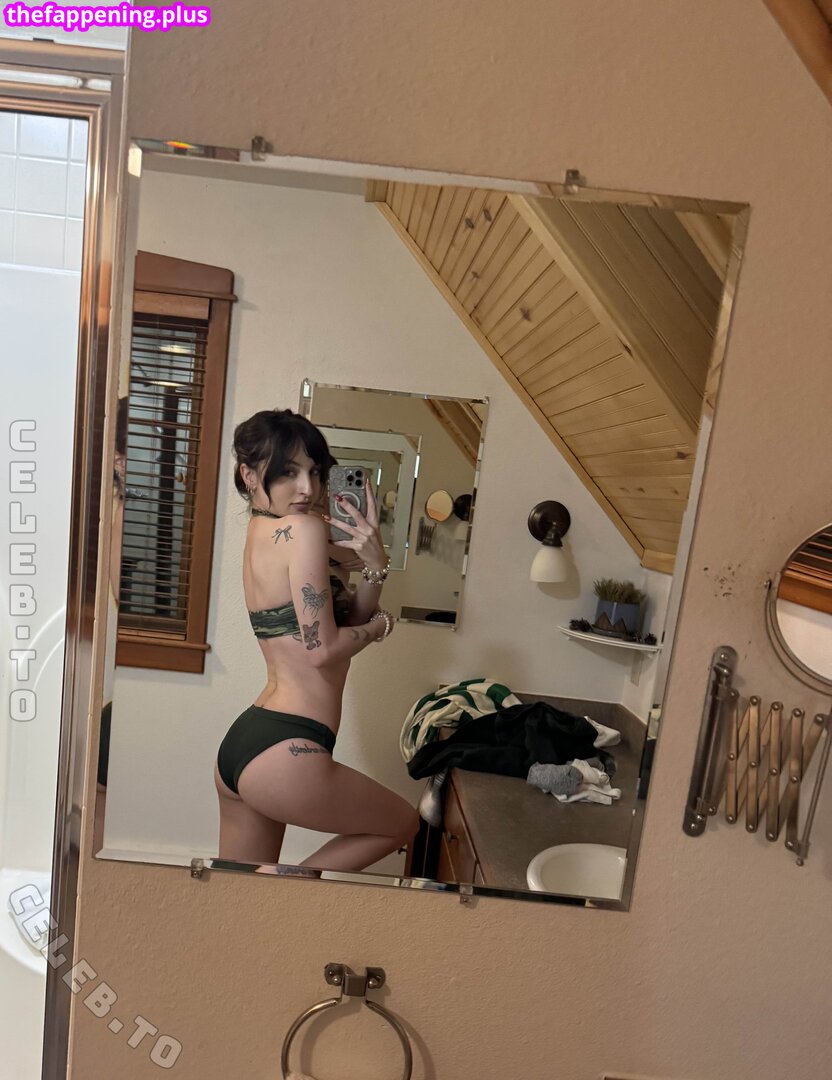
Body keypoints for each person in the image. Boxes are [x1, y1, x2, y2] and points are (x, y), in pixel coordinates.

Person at [214, 408, 419, 872]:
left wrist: (374, 569)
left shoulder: (262, 533)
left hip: (248, 741)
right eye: (288, 472)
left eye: (315, 472)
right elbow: (324, 650)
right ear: (249, 475)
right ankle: (289, 888)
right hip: (289, 745)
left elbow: (339, 626)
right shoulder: (304, 531)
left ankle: (281, 891)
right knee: (402, 823)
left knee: (239, 903)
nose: (307, 488)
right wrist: (381, 628)